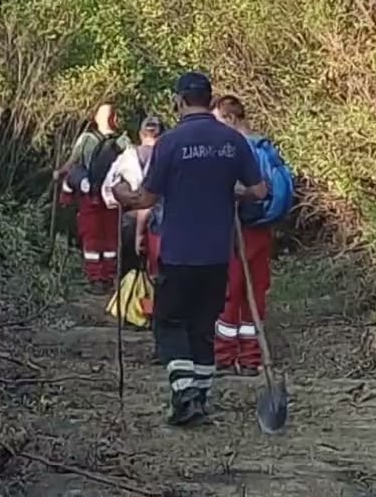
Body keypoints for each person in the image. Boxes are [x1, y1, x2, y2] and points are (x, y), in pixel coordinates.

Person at [113, 73, 267, 426]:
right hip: (217, 253)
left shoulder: (170, 142)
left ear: (180, 101)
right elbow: (259, 191)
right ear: (209, 99)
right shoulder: (232, 141)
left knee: (169, 323)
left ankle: (185, 397)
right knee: (202, 327)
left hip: (179, 252)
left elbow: (146, 198)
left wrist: (122, 194)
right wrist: (232, 190)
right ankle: (200, 397)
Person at [212, 95, 277, 377]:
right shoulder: (266, 146)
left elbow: (245, 188)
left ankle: (225, 356)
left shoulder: (235, 149)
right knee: (255, 293)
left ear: (229, 119)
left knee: (230, 291)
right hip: (263, 226)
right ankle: (251, 358)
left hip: (239, 228)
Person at [55, 104, 131, 293]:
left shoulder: (86, 139)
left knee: (92, 239)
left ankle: (96, 279)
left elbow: (73, 163)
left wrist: (59, 174)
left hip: (90, 196)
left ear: (96, 118)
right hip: (113, 198)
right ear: (115, 119)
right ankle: (109, 278)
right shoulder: (124, 142)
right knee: (111, 239)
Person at [133, 116, 164, 279]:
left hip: (152, 223)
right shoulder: (170, 154)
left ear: (141, 134)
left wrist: (138, 234)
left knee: (155, 275)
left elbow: (146, 202)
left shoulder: (133, 155)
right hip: (174, 227)